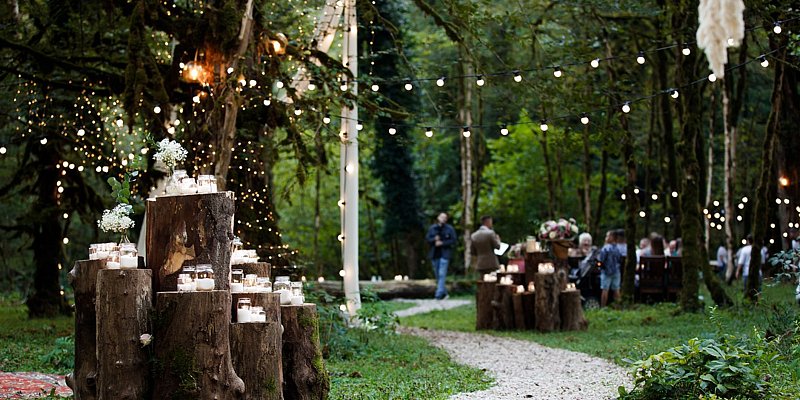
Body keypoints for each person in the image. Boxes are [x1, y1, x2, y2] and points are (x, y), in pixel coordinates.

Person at [426, 212, 457, 300]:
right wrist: (434, 239)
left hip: (445, 254)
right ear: (438, 218)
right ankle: (444, 293)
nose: (443, 219)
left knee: (442, 274)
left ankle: (438, 295)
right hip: (435, 254)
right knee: (437, 275)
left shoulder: (449, 229)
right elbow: (427, 239)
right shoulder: (432, 228)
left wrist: (442, 243)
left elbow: (453, 240)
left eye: (445, 217)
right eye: (441, 217)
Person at [598, 230, 622, 307]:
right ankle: (618, 306)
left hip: (606, 272)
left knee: (605, 289)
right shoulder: (618, 248)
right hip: (616, 271)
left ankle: (603, 306)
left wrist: (600, 266)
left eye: (607, 236)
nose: (606, 238)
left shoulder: (605, 248)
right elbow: (620, 259)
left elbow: (601, 260)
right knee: (616, 289)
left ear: (612, 237)